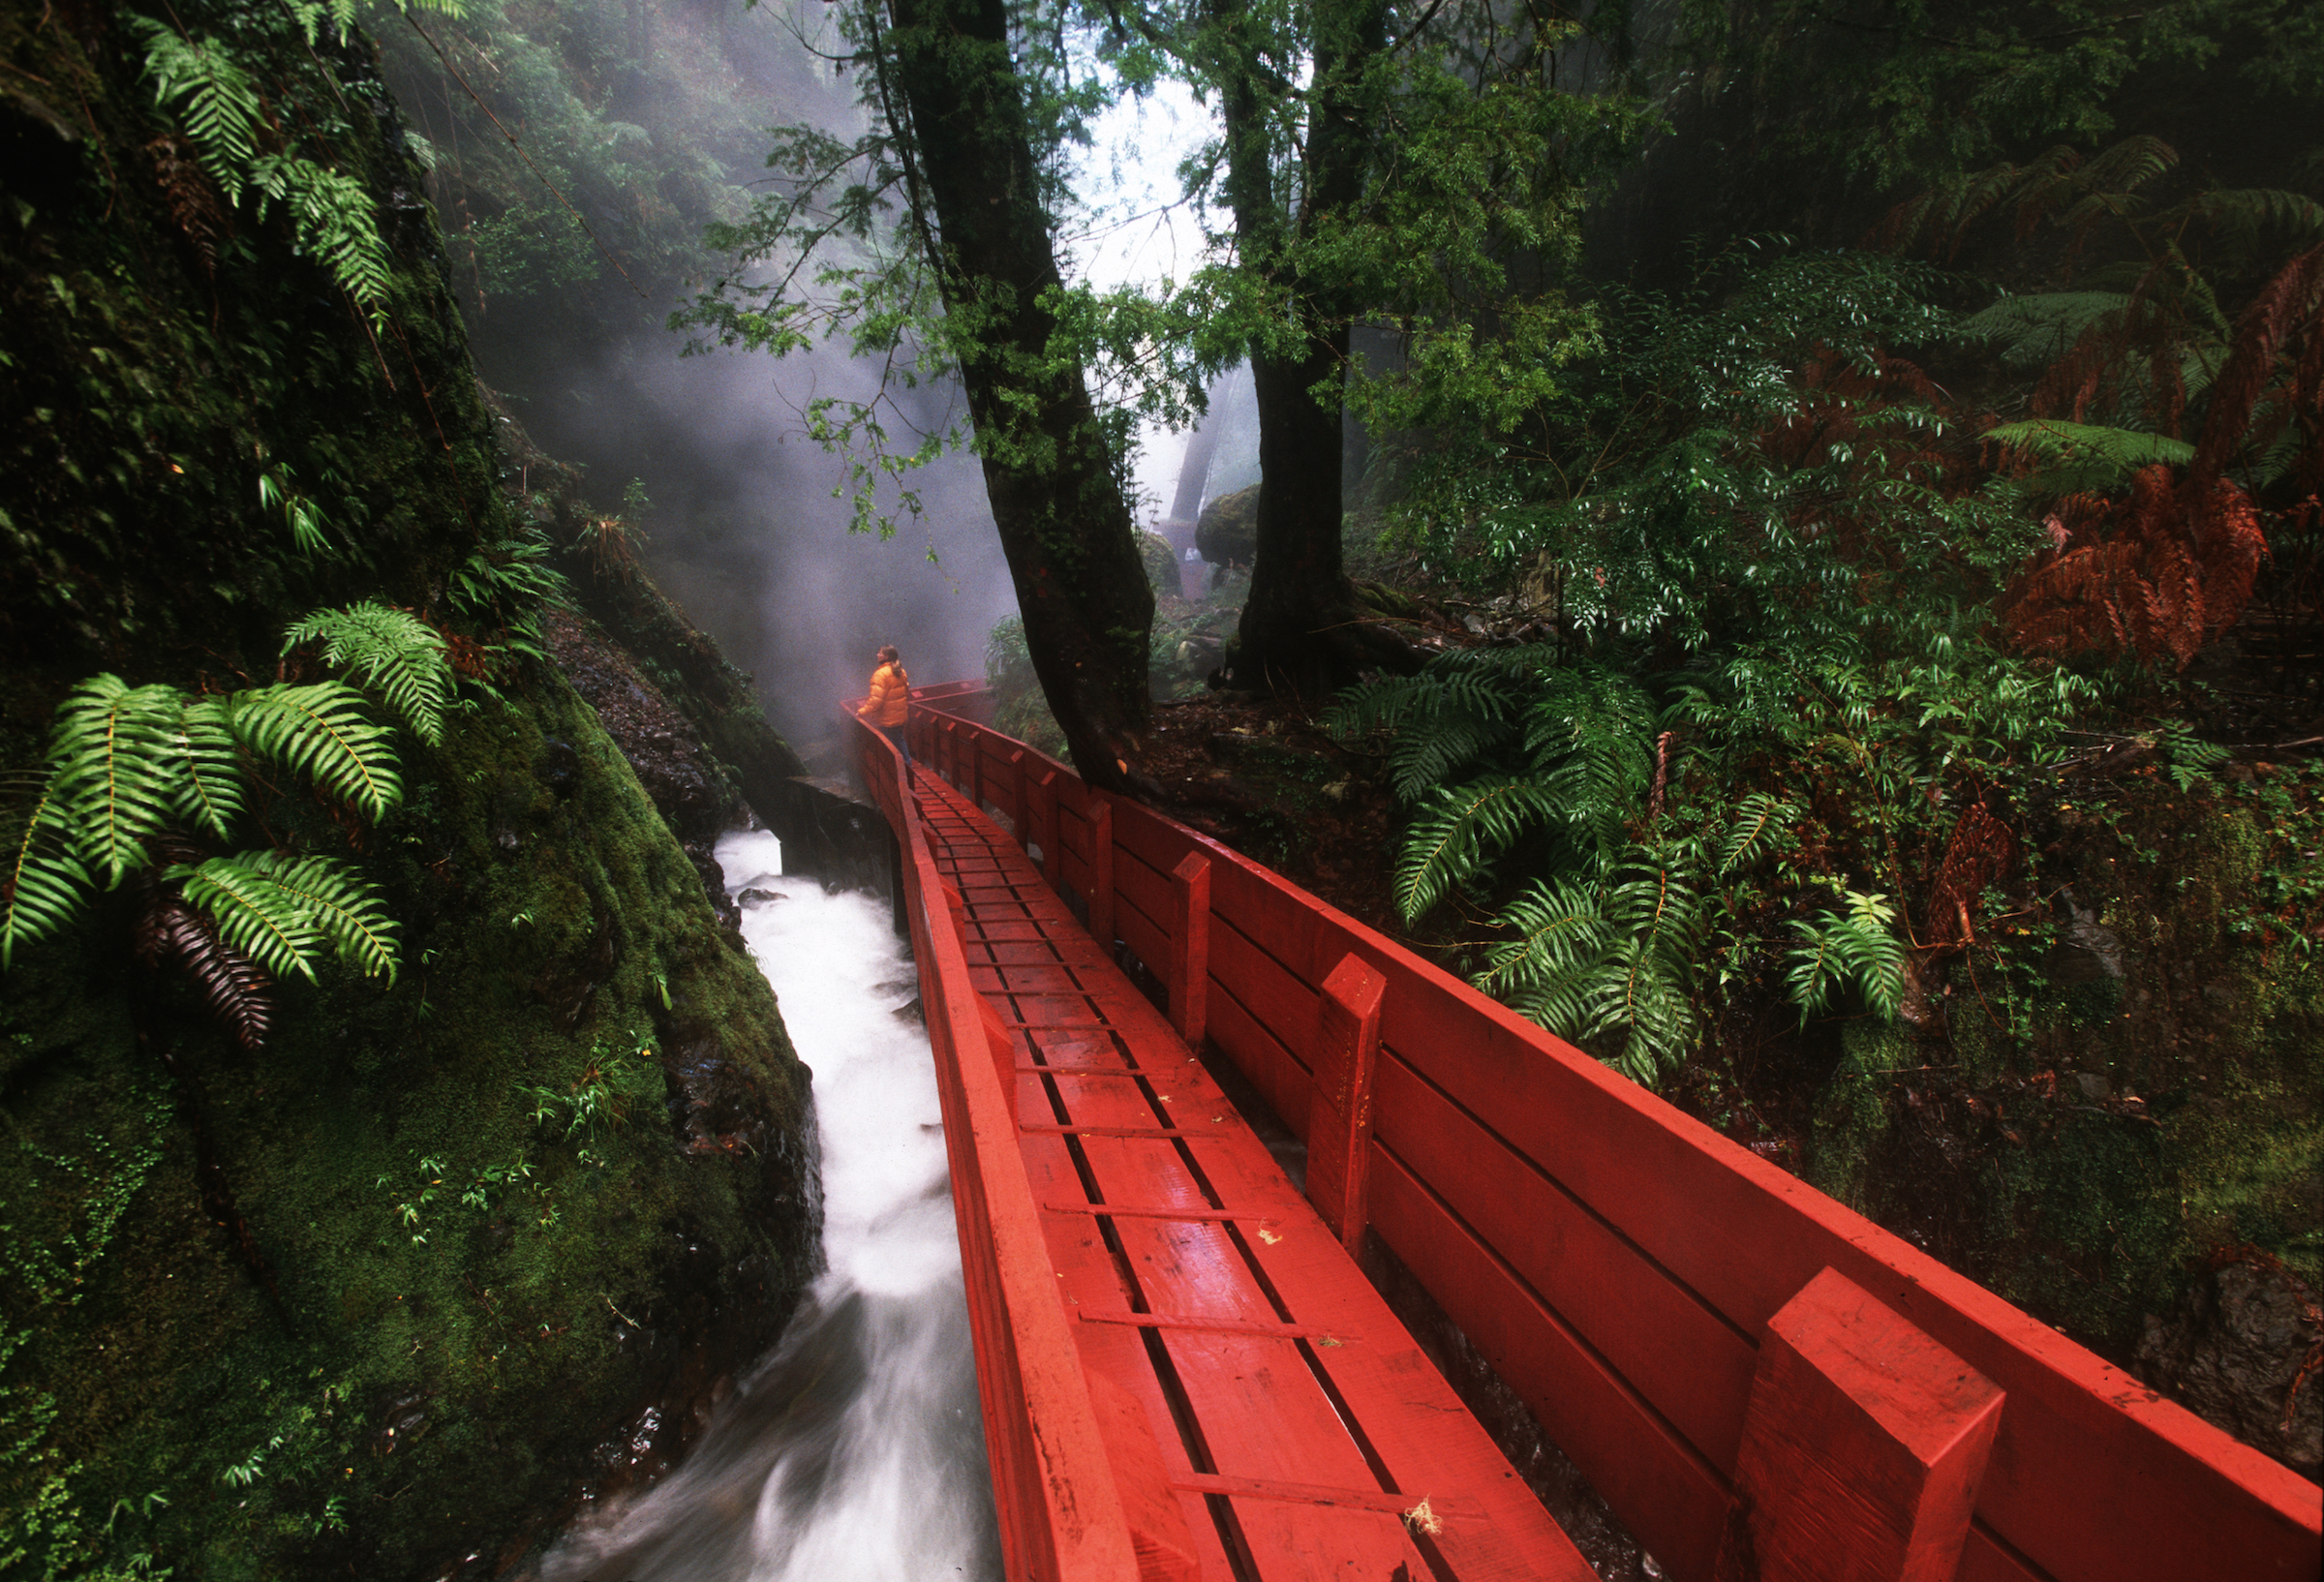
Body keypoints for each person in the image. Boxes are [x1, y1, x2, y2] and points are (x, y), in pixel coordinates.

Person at [858, 644, 911, 762]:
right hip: (900, 716)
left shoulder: (880, 674)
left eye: (880, 653)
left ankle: (905, 769)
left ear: (886, 657)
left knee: (891, 748)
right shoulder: (901, 671)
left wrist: (862, 711)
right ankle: (907, 765)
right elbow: (906, 692)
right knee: (899, 741)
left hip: (887, 719)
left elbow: (876, 700)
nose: (878, 654)